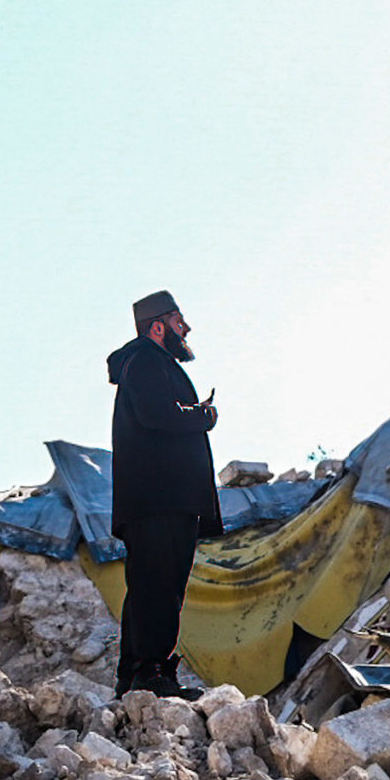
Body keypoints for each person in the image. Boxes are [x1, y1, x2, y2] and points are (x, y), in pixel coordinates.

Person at [106, 290, 219, 698]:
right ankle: (152, 675)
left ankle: (135, 677)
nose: (185, 328)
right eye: (177, 321)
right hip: (160, 500)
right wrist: (201, 416)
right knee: (159, 586)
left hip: (158, 500)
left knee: (152, 585)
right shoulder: (147, 361)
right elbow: (158, 415)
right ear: (158, 326)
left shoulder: (147, 364)